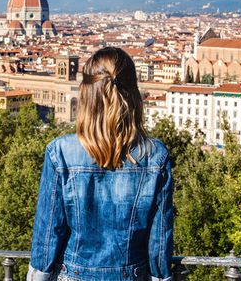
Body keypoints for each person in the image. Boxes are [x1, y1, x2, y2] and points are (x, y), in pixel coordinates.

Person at [27, 47, 173, 281]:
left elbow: (47, 236)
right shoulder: (155, 155)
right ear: (133, 94)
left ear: (87, 94)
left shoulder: (60, 152)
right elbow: (159, 241)